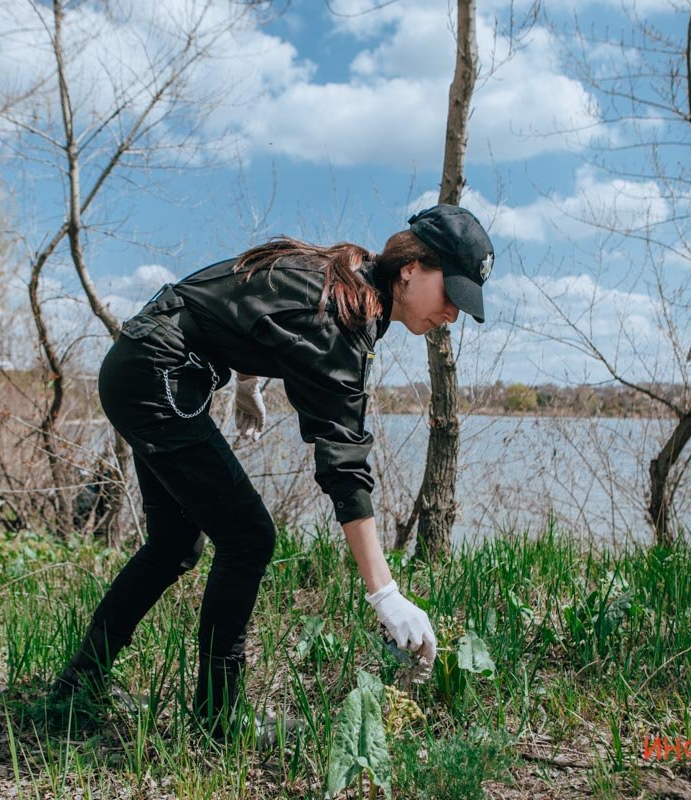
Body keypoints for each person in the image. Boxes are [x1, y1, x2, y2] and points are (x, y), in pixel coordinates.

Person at [46, 204, 495, 746]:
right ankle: (218, 717)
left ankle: (78, 685)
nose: (452, 314)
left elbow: (256, 307)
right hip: (155, 374)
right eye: (452, 295)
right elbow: (345, 465)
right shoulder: (342, 318)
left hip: (146, 364)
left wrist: (246, 379)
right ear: (411, 270)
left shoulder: (344, 274)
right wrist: (386, 595)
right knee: (249, 538)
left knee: (173, 544)